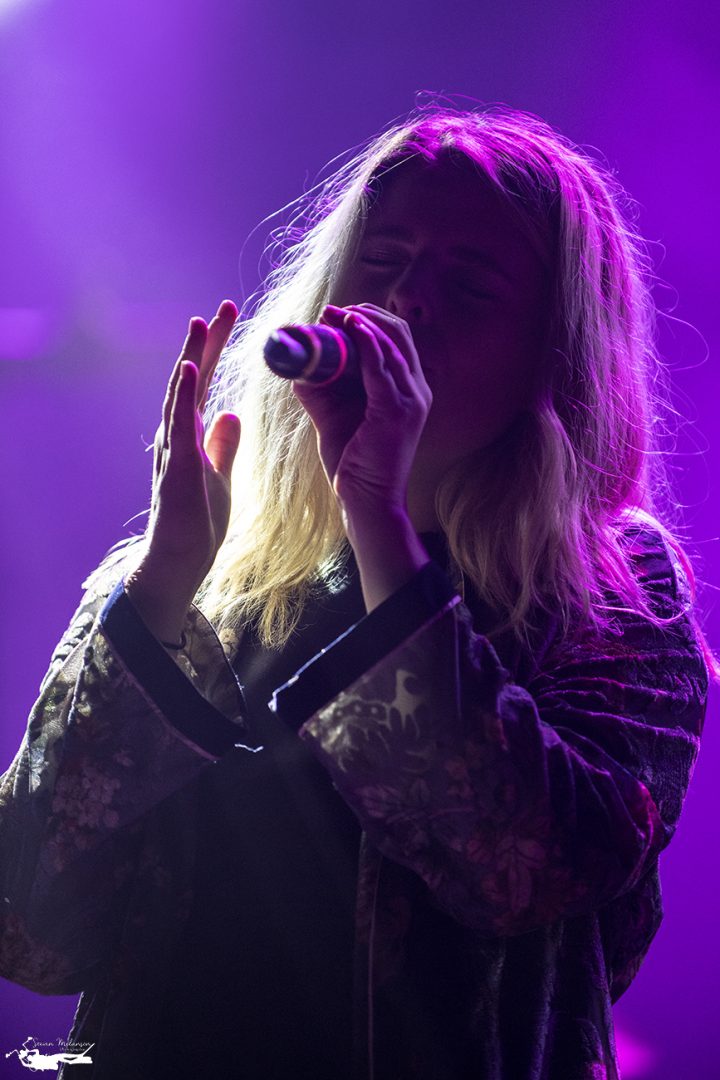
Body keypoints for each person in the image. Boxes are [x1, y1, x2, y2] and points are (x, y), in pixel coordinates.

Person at [0, 102, 714, 1080]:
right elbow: (31, 930)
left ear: (553, 356)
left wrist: (376, 508)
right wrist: (161, 582)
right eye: (382, 262)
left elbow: (519, 867)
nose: (407, 301)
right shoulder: (214, 569)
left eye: (469, 284)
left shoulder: (615, 592)